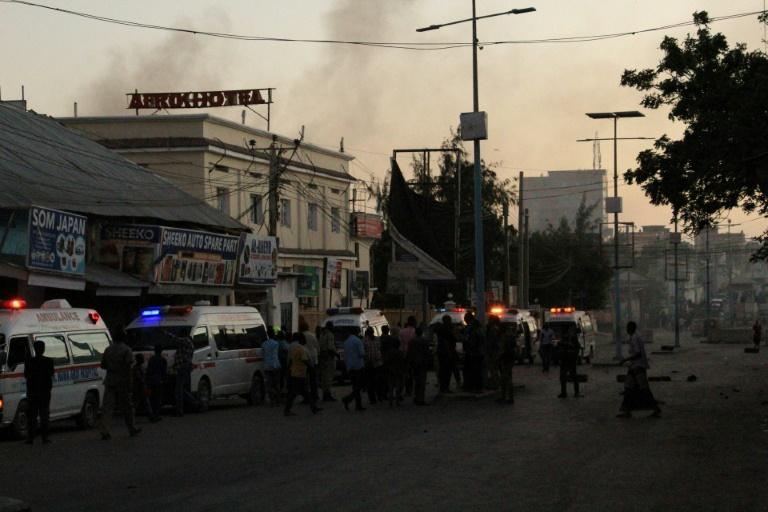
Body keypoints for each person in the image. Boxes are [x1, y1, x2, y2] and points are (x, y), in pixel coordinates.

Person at [99, 335, 141, 440]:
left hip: (110, 380)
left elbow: (103, 365)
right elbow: (128, 367)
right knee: (127, 406)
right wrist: (130, 382)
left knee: (107, 407)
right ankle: (132, 428)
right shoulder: (126, 350)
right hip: (122, 381)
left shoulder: (108, 349)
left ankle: (105, 431)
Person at [618, 321, 661, 418]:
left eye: (628, 328)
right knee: (628, 386)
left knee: (643, 388)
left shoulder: (634, 338)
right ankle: (626, 410)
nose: (627, 330)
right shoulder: (636, 337)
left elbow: (638, 353)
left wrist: (625, 360)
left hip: (638, 366)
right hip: (635, 366)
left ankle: (655, 408)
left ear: (631, 328)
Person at [24, 340, 54, 445]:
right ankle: (45, 438)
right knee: (44, 415)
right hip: (45, 392)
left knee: (32, 416)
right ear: (43, 349)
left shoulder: (29, 362)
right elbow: (51, 375)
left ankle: (30, 438)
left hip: (32, 392)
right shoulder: (49, 361)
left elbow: (26, 375)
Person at [284, 332, 321, 416]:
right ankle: (287, 410)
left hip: (295, 372)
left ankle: (313, 407)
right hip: (300, 373)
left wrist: (288, 371)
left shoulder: (295, 348)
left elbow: (290, 361)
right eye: (304, 339)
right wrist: (311, 368)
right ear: (301, 340)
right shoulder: (301, 349)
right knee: (297, 393)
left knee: (303, 392)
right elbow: (305, 360)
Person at [172, 333, 195, 416]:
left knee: (179, 391)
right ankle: (194, 403)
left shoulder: (186, 341)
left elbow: (174, 338)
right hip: (184, 368)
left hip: (182, 368)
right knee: (182, 390)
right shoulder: (189, 345)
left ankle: (180, 410)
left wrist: (163, 332)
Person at [407, 327, 432, 405]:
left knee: (416, 381)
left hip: (414, 363)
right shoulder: (425, 341)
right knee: (422, 382)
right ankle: (420, 399)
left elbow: (409, 352)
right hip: (422, 363)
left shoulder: (411, 341)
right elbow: (427, 352)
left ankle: (416, 397)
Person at [342, 330, 366, 411]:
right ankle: (349, 399)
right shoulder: (357, 341)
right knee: (359, 386)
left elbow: (345, 356)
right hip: (358, 366)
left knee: (355, 386)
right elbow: (362, 353)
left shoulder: (346, 342)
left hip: (350, 367)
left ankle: (357, 404)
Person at [435, 315, 458, 394]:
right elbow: (448, 341)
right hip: (447, 352)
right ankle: (445, 387)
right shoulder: (446, 330)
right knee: (446, 371)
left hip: (443, 352)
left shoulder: (442, 329)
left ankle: (443, 387)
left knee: (443, 371)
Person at [462, 312, 484, 393]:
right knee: (476, 371)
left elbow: (468, 340)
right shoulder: (477, 326)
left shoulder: (471, 328)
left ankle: (472, 386)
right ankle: (476, 386)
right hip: (476, 352)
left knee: (472, 370)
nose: (465, 320)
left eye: (465, 318)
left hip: (473, 352)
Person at [557, 325, 581, 398]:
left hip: (570, 360)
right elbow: (560, 349)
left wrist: (574, 356)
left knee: (573, 376)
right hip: (564, 360)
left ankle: (576, 392)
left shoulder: (572, 338)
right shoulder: (563, 339)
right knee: (563, 378)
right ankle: (564, 392)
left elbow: (577, 348)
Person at [145, 344, 167, 422]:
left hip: (151, 381)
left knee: (151, 399)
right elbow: (164, 373)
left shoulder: (151, 359)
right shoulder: (163, 360)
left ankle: (152, 415)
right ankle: (156, 415)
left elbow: (148, 370)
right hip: (159, 381)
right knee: (158, 399)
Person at [300, 318, 320, 402]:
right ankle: (315, 395)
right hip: (313, 359)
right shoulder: (312, 335)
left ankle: (306, 397)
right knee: (313, 379)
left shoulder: (300, 335)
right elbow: (317, 347)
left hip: (304, 359)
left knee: (304, 380)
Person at [318, 321, 338, 402]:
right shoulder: (330, 335)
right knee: (329, 377)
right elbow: (330, 347)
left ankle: (324, 395)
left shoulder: (322, 334)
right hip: (329, 357)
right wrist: (336, 354)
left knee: (324, 377)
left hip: (322, 357)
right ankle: (328, 394)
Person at [497, 322, 517, 404]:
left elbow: (504, 349)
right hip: (509, 358)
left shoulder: (505, 337)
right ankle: (506, 397)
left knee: (506, 378)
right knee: (506, 378)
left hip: (506, 358)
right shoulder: (510, 335)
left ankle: (507, 397)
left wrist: (499, 357)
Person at [262, 327, 281, 406]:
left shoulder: (264, 344)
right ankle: (277, 399)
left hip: (267, 366)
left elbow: (263, 354)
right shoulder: (276, 343)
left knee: (269, 384)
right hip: (276, 365)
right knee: (276, 383)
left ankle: (272, 399)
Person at [399, 316, 417, 396]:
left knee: (406, 374)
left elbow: (400, 345)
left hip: (404, 355)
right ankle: (413, 389)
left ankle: (407, 390)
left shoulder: (402, 331)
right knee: (414, 374)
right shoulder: (416, 332)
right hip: (414, 355)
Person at [485, 316, 502, 389]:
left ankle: (495, 384)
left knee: (493, 369)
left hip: (494, 352)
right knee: (494, 369)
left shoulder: (493, 329)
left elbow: (492, 342)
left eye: (490, 320)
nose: (488, 321)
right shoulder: (496, 329)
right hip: (496, 352)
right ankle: (496, 383)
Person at [132, 353, 150, 417]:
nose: (143, 359)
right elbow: (140, 378)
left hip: (139, 388)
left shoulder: (138, 367)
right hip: (139, 388)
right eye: (142, 358)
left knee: (138, 403)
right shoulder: (137, 368)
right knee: (141, 403)